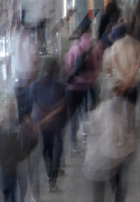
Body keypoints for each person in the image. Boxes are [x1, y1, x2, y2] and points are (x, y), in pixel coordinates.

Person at [27, 59, 67, 192]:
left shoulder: (35, 86)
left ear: (43, 70)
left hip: (42, 124)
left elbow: (32, 105)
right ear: (55, 71)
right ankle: (54, 173)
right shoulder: (60, 86)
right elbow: (63, 105)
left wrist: (43, 116)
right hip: (56, 123)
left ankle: (50, 175)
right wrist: (53, 114)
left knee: (46, 150)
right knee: (57, 146)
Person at [63, 33, 100, 153]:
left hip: (72, 88)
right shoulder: (91, 50)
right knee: (84, 112)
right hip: (85, 88)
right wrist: (89, 80)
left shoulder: (74, 48)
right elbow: (95, 69)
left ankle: (73, 142)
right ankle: (85, 135)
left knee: (73, 116)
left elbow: (69, 66)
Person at [103, 18, 140, 106]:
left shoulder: (116, 45)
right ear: (134, 30)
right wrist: (130, 77)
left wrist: (124, 75)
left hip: (119, 82)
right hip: (133, 82)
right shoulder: (139, 45)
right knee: (132, 106)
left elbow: (115, 62)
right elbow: (139, 64)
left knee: (118, 107)